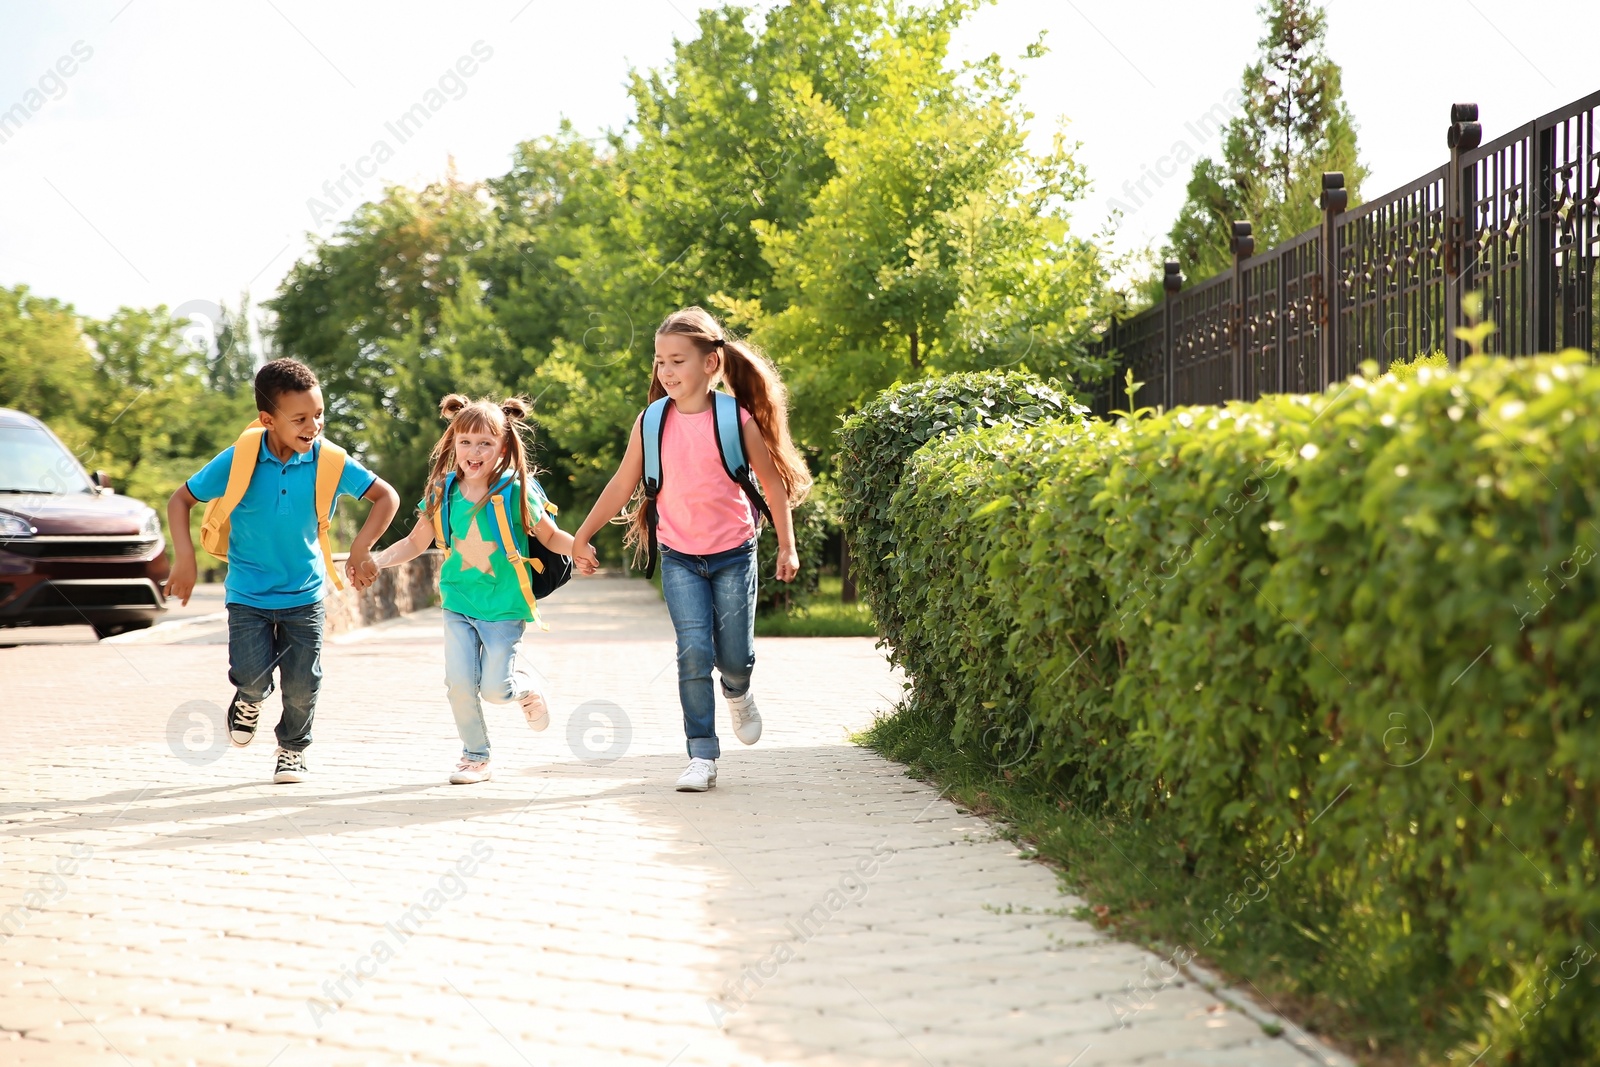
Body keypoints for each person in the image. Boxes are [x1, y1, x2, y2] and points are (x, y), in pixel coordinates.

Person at [571, 307, 811, 792]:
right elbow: (623, 483)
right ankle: (702, 753)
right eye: (660, 362)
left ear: (711, 364)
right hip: (679, 555)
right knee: (693, 651)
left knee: (736, 658)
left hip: (733, 552)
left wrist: (787, 545)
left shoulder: (735, 419)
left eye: (677, 360)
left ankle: (738, 692)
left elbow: (771, 482)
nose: (666, 372)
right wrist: (583, 534)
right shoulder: (652, 420)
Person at [167, 358, 400, 784]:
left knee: (302, 685)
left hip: (305, 594)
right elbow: (179, 500)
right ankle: (248, 700)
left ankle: (293, 749)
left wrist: (362, 547)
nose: (313, 426)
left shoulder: (330, 461)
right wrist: (183, 557)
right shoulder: (239, 459)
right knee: (251, 677)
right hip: (249, 594)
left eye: (318, 415)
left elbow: (386, 497)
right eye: (300, 419)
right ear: (267, 419)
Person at [373, 395, 575, 785]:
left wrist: (579, 547)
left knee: (496, 690)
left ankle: (525, 690)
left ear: (503, 445)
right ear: (453, 442)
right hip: (458, 602)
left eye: (485, 442)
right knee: (460, 685)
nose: (474, 451)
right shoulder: (441, 491)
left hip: (504, 606)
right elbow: (415, 543)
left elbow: (549, 536)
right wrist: (376, 561)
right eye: (465, 441)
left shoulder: (517, 490)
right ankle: (475, 757)